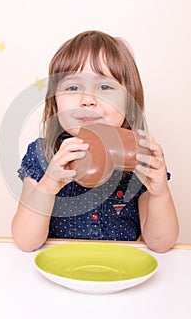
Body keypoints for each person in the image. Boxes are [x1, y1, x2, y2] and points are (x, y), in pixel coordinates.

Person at [11, 30, 179, 252]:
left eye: (105, 87)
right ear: (55, 103)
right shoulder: (43, 153)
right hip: (59, 271)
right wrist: (49, 184)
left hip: (120, 272)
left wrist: (160, 192)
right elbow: (25, 241)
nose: (88, 100)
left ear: (129, 102)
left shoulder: (142, 157)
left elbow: (161, 244)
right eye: (73, 87)